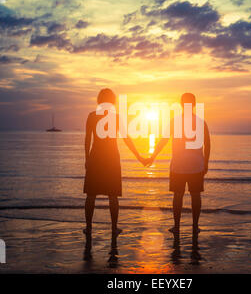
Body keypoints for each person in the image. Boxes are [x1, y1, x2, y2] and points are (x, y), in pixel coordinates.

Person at [83, 88, 147, 237]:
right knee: (112, 196)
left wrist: (86, 158)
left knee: (91, 195)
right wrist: (139, 157)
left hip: (96, 157)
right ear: (112, 101)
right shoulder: (116, 117)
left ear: (99, 100)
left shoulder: (92, 116)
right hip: (111, 158)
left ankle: (89, 227)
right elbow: (127, 139)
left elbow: (87, 140)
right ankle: (113, 228)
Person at [146, 93, 210, 235]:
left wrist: (153, 156)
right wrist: (206, 162)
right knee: (195, 195)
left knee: (178, 196)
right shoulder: (200, 121)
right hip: (195, 165)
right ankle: (195, 226)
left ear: (181, 104)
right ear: (193, 104)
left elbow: (163, 141)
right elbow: (208, 143)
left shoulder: (175, 121)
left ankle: (177, 226)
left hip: (179, 166)